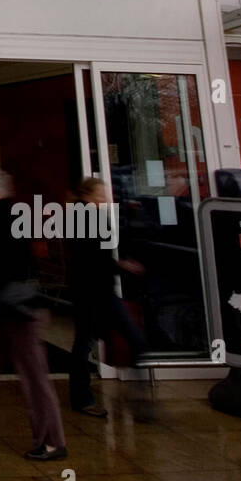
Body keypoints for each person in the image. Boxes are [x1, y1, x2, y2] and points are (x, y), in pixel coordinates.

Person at [0, 168, 67, 461]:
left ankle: (52, 441)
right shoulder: (6, 215)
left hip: (18, 311)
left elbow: (4, 261)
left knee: (33, 376)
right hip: (3, 308)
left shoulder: (1, 216)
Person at [66, 175, 148, 417]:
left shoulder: (83, 216)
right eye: (101, 194)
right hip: (95, 293)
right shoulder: (85, 218)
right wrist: (120, 266)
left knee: (84, 344)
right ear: (89, 195)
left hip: (92, 292)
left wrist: (118, 265)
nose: (106, 198)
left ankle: (83, 398)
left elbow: (92, 257)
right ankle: (136, 398)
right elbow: (92, 259)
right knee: (128, 340)